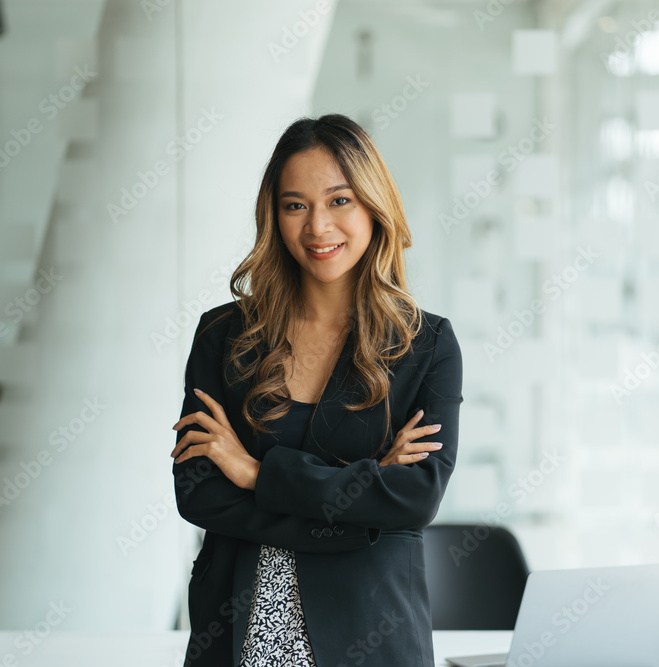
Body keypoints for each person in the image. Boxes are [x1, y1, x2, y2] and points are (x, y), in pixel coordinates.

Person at [170, 113, 463, 666]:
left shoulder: (426, 345)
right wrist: (365, 497)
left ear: (374, 206)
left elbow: (416, 497)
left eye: (339, 201)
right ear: (274, 216)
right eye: (295, 205)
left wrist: (257, 474)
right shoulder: (224, 335)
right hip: (238, 635)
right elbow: (200, 491)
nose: (318, 228)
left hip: (371, 638)